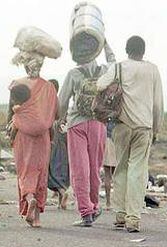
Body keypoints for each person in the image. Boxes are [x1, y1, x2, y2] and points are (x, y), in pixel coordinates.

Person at [97, 36, 164, 232]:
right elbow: (158, 104)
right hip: (144, 127)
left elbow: (100, 84)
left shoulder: (119, 67)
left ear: (127, 50)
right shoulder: (152, 69)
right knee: (138, 171)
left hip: (122, 125)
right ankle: (133, 218)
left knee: (121, 169)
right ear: (143, 50)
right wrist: (156, 128)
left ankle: (120, 213)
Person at [58, 41, 115, 227]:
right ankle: (95, 205)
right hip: (98, 123)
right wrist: (105, 44)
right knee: (94, 168)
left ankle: (86, 212)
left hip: (77, 123)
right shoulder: (105, 70)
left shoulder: (73, 74)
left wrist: (60, 119)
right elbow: (114, 62)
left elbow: (63, 100)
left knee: (79, 168)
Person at [9, 61, 58, 228]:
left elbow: (12, 114)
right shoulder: (49, 88)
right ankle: (36, 219)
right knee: (40, 173)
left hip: (23, 137)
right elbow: (55, 114)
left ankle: (30, 199)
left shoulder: (17, 86)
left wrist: (11, 136)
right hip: (43, 137)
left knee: (25, 172)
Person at [47, 79, 70, 210]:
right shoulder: (63, 102)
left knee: (50, 168)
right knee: (62, 166)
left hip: (51, 136)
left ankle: (61, 191)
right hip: (63, 137)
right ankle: (61, 199)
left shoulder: (48, 102)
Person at [103, 121, 117, 210]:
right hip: (117, 140)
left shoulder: (106, 110)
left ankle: (108, 202)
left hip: (106, 140)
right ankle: (117, 202)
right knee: (118, 174)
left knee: (107, 174)